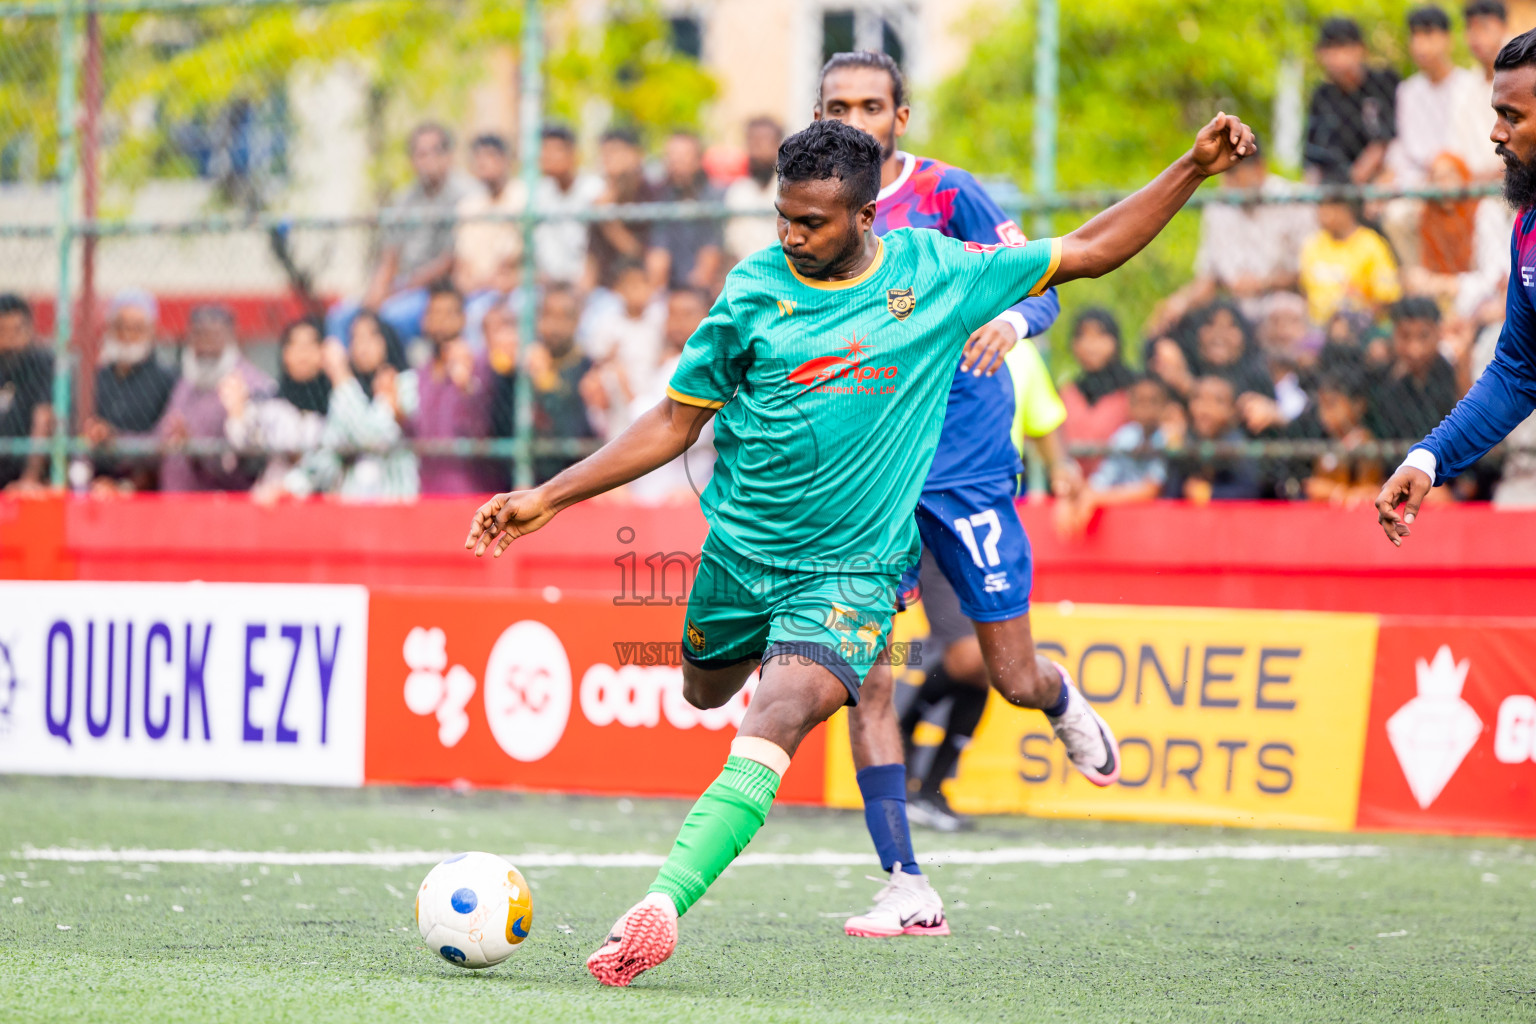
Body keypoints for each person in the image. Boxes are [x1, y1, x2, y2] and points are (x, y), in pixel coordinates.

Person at [464, 112, 1255, 985]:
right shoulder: (753, 291)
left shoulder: (936, 274)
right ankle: (765, 682)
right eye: (783, 216)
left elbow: (1090, 249)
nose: (791, 235)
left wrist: (1191, 167)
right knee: (703, 692)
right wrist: (547, 496)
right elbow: (671, 422)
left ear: (867, 214)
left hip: (851, 572)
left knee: (779, 713)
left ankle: (661, 906)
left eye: (812, 222)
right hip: (739, 555)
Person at [813, 49, 1108, 939]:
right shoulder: (813, 214)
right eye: (838, 104)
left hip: (966, 468)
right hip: (873, 478)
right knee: (863, 674)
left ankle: (1057, 698)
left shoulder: (950, 197)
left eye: (872, 105)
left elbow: (1050, 278)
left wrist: (1013, 318)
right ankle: (906, 883)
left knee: (1006, 672)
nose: (855, 119)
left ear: (901, 118)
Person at [327, 123, 478, 344]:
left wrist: (400, 290)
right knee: (341, 318)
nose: (427, 160)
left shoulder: (465, 196)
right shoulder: (404, 199)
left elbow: (450, 261)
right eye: (420, 154)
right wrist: (374, 296)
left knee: (391, 318)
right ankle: (348, 378)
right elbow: (389, 257)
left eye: (434, 152)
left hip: (437, 292)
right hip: (400, 287)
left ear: (448, 156)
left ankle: (399, 378)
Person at [1154, 142, 1313, 330]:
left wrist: (1263, 284)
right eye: (1222, 175)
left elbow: (1309, 274)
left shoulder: (1293, 200)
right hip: (1232, 311)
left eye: (1232, 174)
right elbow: (1208, 278)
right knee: (1176, 322)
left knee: (1281, 311)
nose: (1227, 184)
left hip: (1282, 304)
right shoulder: (1219, 206)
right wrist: (1178, 304)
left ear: (1259, 169)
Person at [1382, 7, 1497, 263]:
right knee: (1396, 215)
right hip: (1418, 180)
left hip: (1459, 177)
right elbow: (1404, 148)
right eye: (1416, 36)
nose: (1421, 44)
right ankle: (1421, 288)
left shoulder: (1467, 86)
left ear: (1448, 39)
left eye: (1429, 35)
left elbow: (1462, 146)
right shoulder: (1407, 92)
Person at [284, 312, 419, 502]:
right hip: (353, 510)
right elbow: (328, 453)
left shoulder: (407, 384)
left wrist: (340, 374)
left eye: (371, 336)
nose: (362, 346)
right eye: (355, 338)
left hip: (396, 507)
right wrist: (289, 486)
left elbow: (370, 438)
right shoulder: (345, 393)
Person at [158, 304, 274, 492]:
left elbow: (247, 464)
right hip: (175, 503)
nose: (206, 345)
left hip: (221, 506)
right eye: (200, 335)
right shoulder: (186, 382)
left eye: (214, 335)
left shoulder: (253, 385)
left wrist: (195, 448)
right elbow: (161, 436)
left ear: (231, 337)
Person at [222, 317, 330, 497]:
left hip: (325, 502)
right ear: (284, 354)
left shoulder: (338, 402)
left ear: (323, 352)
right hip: (272, 504)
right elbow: (245, 458)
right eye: (294, 345)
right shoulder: (267, 402)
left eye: (310, 345)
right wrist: (237, 413)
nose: (302, 353)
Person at [82, 289, 176, 492]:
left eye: (137, 328)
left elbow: (164, 443)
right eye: (120, 327)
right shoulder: (96, 378)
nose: (128, 335)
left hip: (144, 489)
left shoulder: (168, 379)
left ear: (152, 331)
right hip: (94, 485)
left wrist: (114, 439)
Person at [408, 284, 495, 495]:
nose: (439, 322)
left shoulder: (480, 364)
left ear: (463, 319)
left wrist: (467, 387)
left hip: (468, 491)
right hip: (426, 490)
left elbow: (483, 428)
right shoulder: (421, 374)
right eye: (433, 314)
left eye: (447, 314)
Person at [1304, 17, 1398, 183]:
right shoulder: (1322, 96)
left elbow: (1388, 137)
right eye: (1331, 48)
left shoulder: (1384, 82)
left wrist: (1359, 177)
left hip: (1386, 176)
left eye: (1343, 47)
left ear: (1361, 49)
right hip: (1335, 183)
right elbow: (1313, 155)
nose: (1338, 57)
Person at [454, 133, 526, 346]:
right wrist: (476, 283)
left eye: (491, 157)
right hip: (476, 291)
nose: (485, 164)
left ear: (507, 161)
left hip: (516, 289)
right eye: (479, 158)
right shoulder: (468, 207)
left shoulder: (523, 199)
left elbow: (514, 263)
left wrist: (501, 283)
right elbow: (462, 269)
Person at [525, 284, 600, 484]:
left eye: (563, 317)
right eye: (548, 315)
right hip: (528, 479)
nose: (554, 326)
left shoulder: (587, 367)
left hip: (572, 482)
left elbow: (575, 430)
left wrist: (547, 383)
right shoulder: (524, 363)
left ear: (576, 321)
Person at [583, 259, 664, 438]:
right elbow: (598, 357)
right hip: (617, 395)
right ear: (619, 290)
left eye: (641, 285)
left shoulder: (658, 319)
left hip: (649, 389)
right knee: (619, 436)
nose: (636, 292)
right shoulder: (609, 321)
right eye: (629, 286)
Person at [1368, 297, 1462, 442]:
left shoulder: (1454, 376)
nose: (1414, 349)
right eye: (1405, 336)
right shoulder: (1381, 379)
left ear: (1438, 333)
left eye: (1423, 336)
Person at [1298, 194, 1402, 324]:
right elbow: (1304, 290)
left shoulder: (1371, 244)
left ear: (1345, 212)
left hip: (1360, 324)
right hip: (1316, 325)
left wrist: (1362, 318)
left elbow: (1387, 298)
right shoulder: (1313, 243)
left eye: (1329, 209)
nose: (1322, 215)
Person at [1058, 308, 1136, 473]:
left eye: (1100, 335)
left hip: (1121, 484)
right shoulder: (1067, 393)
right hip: (1072, 483)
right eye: (1083, 336)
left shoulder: (1133, 390)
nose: (1091, 345)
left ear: (1115, 341)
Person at [1161, 375, 1262, 501]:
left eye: (1217, 401)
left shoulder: (1237, 444)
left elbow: (1249, 492)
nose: (1204, 409)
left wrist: (1210, 493)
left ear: (1232, 411)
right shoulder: (1188, 438)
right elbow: (1172, 494)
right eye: (1198, 399)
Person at [586, 126, 661, 293]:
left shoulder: (655, 196)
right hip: (606, 292)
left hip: (644, 290)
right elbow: (592, 260)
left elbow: (640, 254)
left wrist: (608, 219)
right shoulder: (601, 200)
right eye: (604, 154)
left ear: (637, 155)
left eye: (615, 152)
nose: (608, 160)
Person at [649, 130, 725, 293]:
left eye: (683, 156)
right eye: (671, 156)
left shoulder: (714, 197)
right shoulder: (663, 199)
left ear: (698, 160)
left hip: (703, 289)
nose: (676, 162)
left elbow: (710, 257)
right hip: (671, 289)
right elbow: (658, 255)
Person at [532, 124, 606, 287]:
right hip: (546, 284)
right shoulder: (536, 193)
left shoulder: (594, 190)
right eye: (544, 151)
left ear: (573, 154)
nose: (548, 157)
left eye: (555, 150)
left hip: (586, 285)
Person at [1306, 367, 1383, 504]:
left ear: (1358, 405)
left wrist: (1336, 492)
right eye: (1321, 405)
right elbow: (1313, 487)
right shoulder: (1325, 439)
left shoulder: (1366, 442)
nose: (1324, 413)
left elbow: (1368, 491)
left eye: (1331, 404)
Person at [0, 294, 52, 491]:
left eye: (16, 331)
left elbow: (43, 419)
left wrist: (29, 478)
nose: (9, 340)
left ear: (30, 330)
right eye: (2, 331)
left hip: (25, 472)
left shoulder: (41, 362)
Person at [724, 116, 785, 262]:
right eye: (752, 140)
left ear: (778, 145)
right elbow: (731, 247)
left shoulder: (791, 189)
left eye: (764, 140)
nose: (757, 148)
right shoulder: (738, 192)